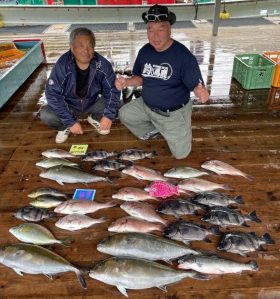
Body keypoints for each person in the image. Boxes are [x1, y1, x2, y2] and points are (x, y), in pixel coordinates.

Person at [115, 4, 209, 159]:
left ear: (170, 29)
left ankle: (179, 129)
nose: (155, 35)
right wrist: (126, 82)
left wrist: (200, 92)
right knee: (125, 113)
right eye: (150, 29)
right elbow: (140, 78)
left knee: (181, 155)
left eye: (161, 29)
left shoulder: (183, 56)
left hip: (172, 114)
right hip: (147, 106)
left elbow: (196, 85)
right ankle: (155, 130)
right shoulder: (145, 51)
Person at [40, 27, 120, 143]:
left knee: (119, 107)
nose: (86, 51)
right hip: (69, 105)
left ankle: (95, 117)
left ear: (94, 47)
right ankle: (64, 126)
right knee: (46, 114)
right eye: (81, 46)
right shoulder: (63, 65)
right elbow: (52, 94)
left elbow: (112, 90)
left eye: (90, 46)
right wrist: (70, 122)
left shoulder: (102, 64)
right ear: (72, 48)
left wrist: (108, 116)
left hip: (93, 103)